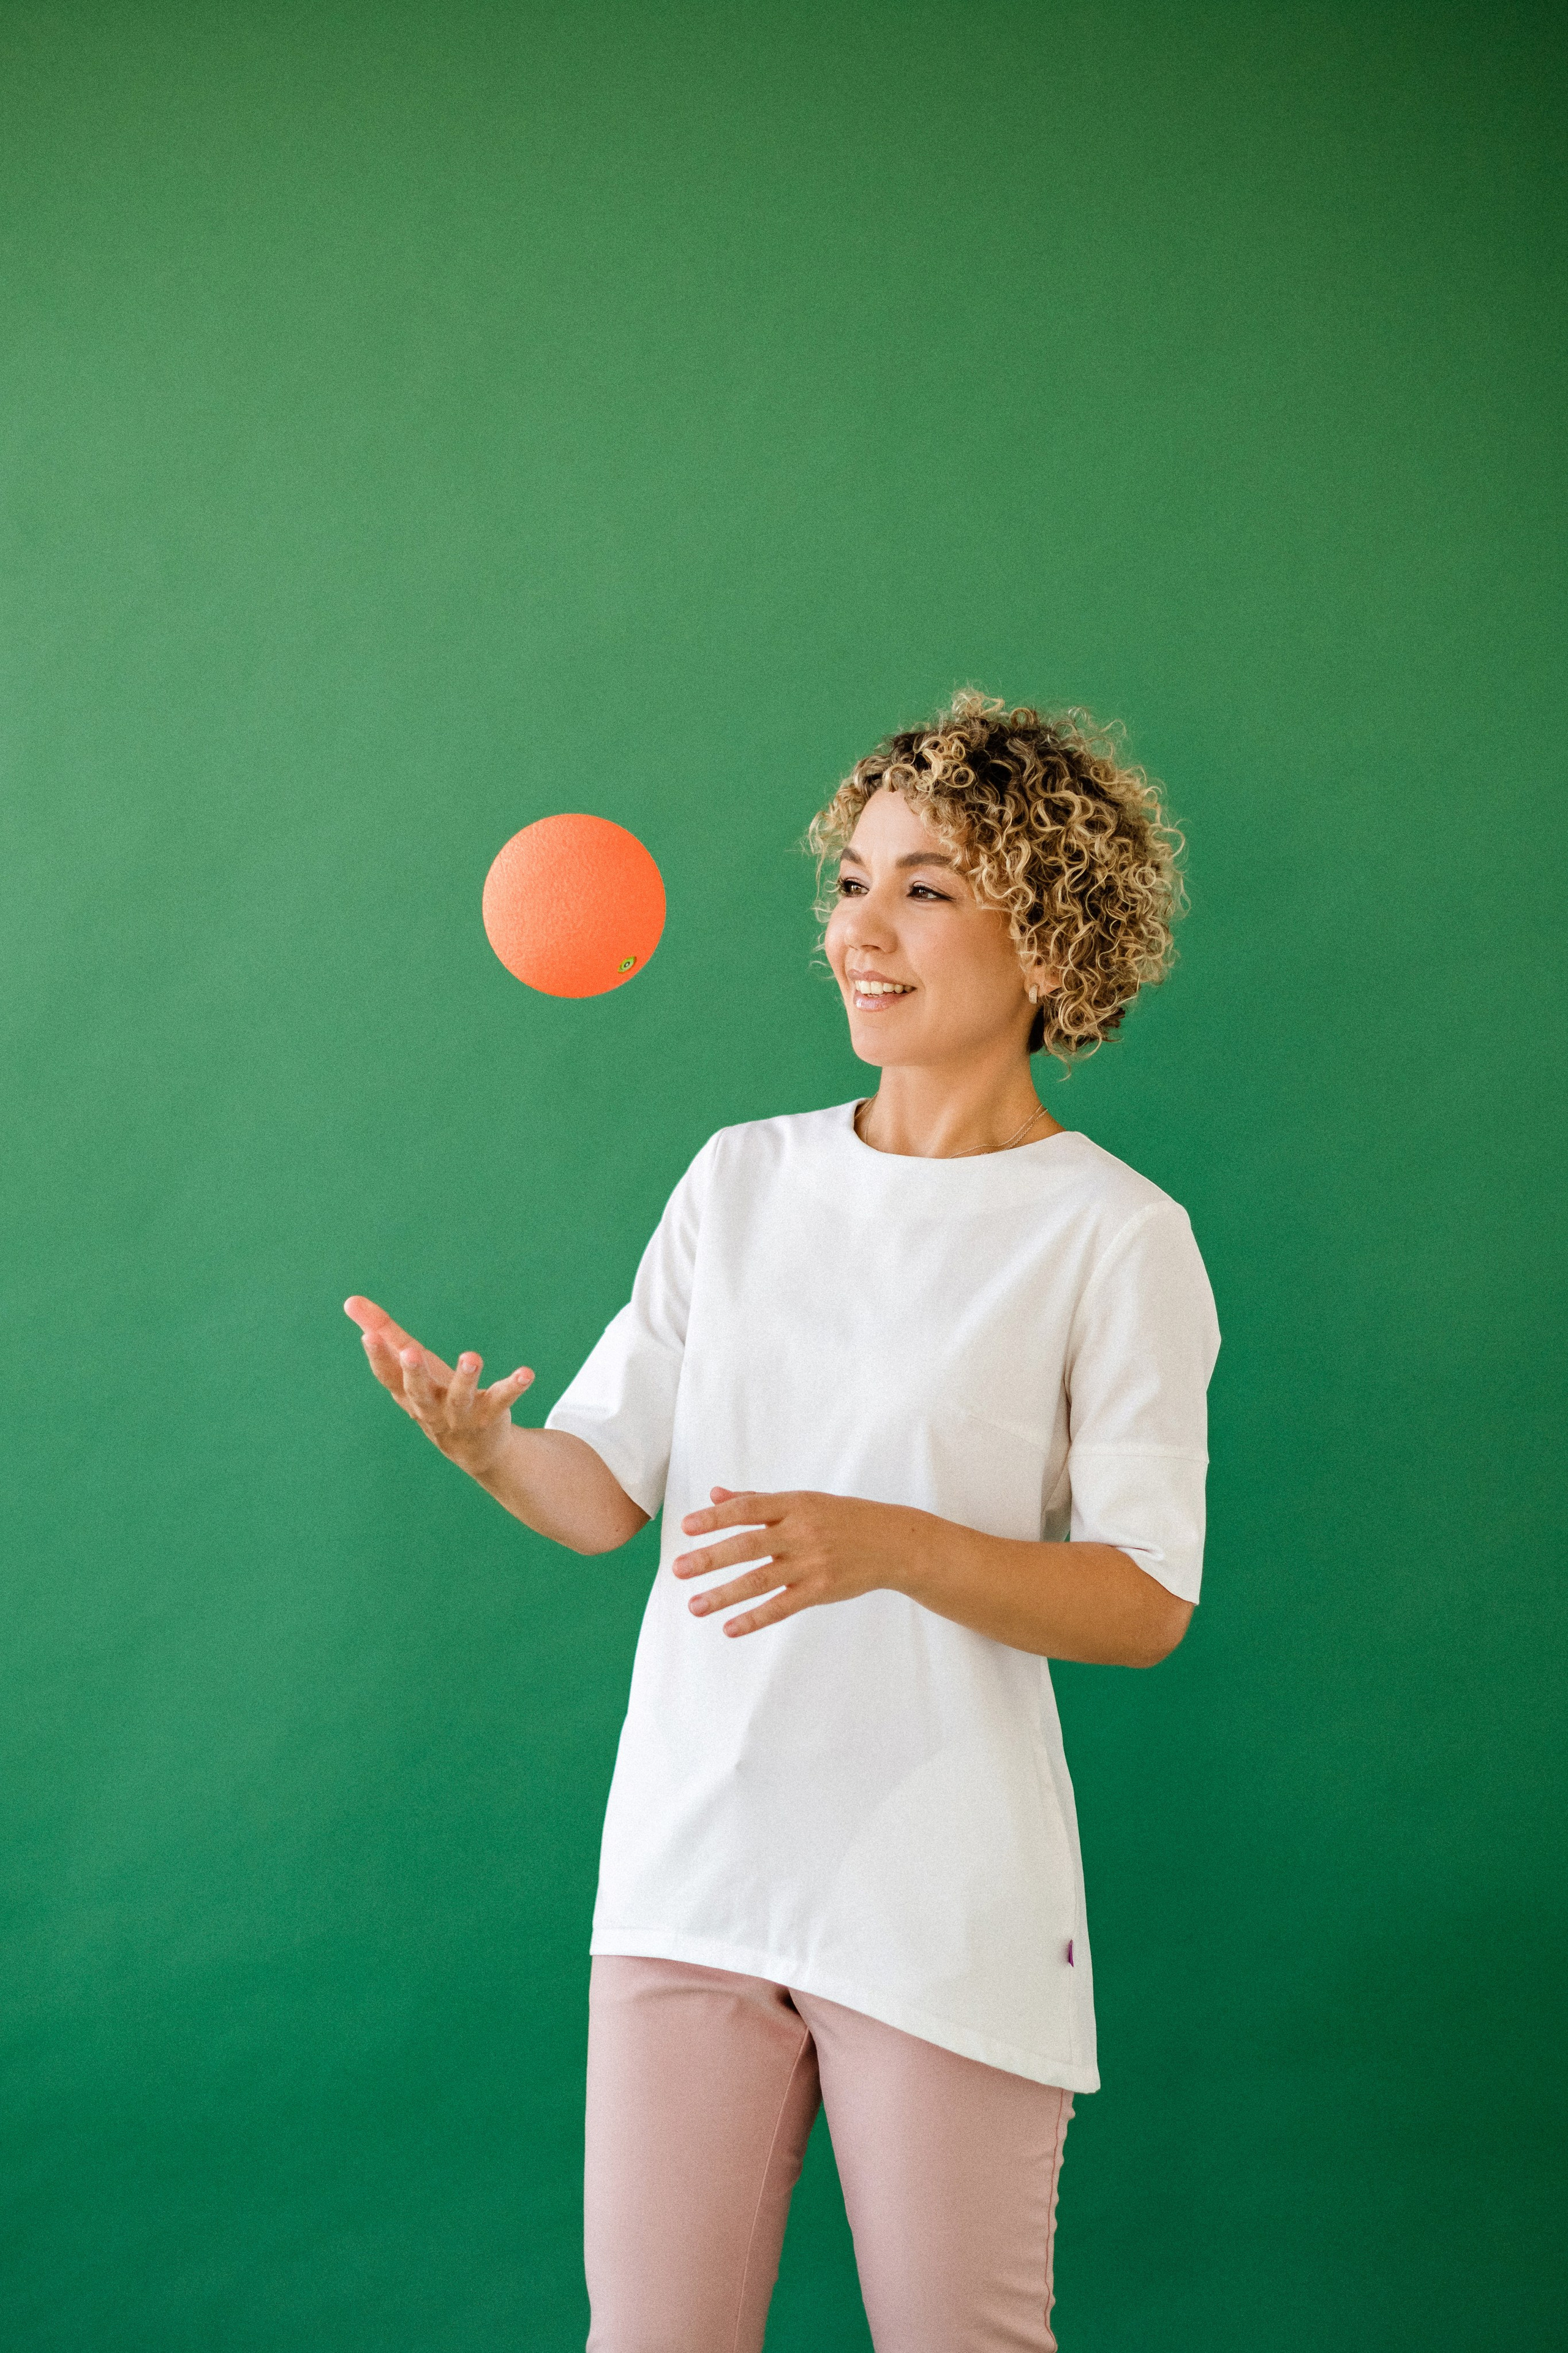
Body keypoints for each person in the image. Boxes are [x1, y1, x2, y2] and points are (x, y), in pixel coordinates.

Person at [345, 690, 1219, 2352]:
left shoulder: (1116, 1239)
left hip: (939, 1896)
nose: (859, 929)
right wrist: (487, 1447)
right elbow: (606, 1494)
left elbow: (1144, 1599)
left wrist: (887, 1544)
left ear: (1049, 937)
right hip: (690, 1871)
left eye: (926, 887)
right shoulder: (738, 1180)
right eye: (850, 879)